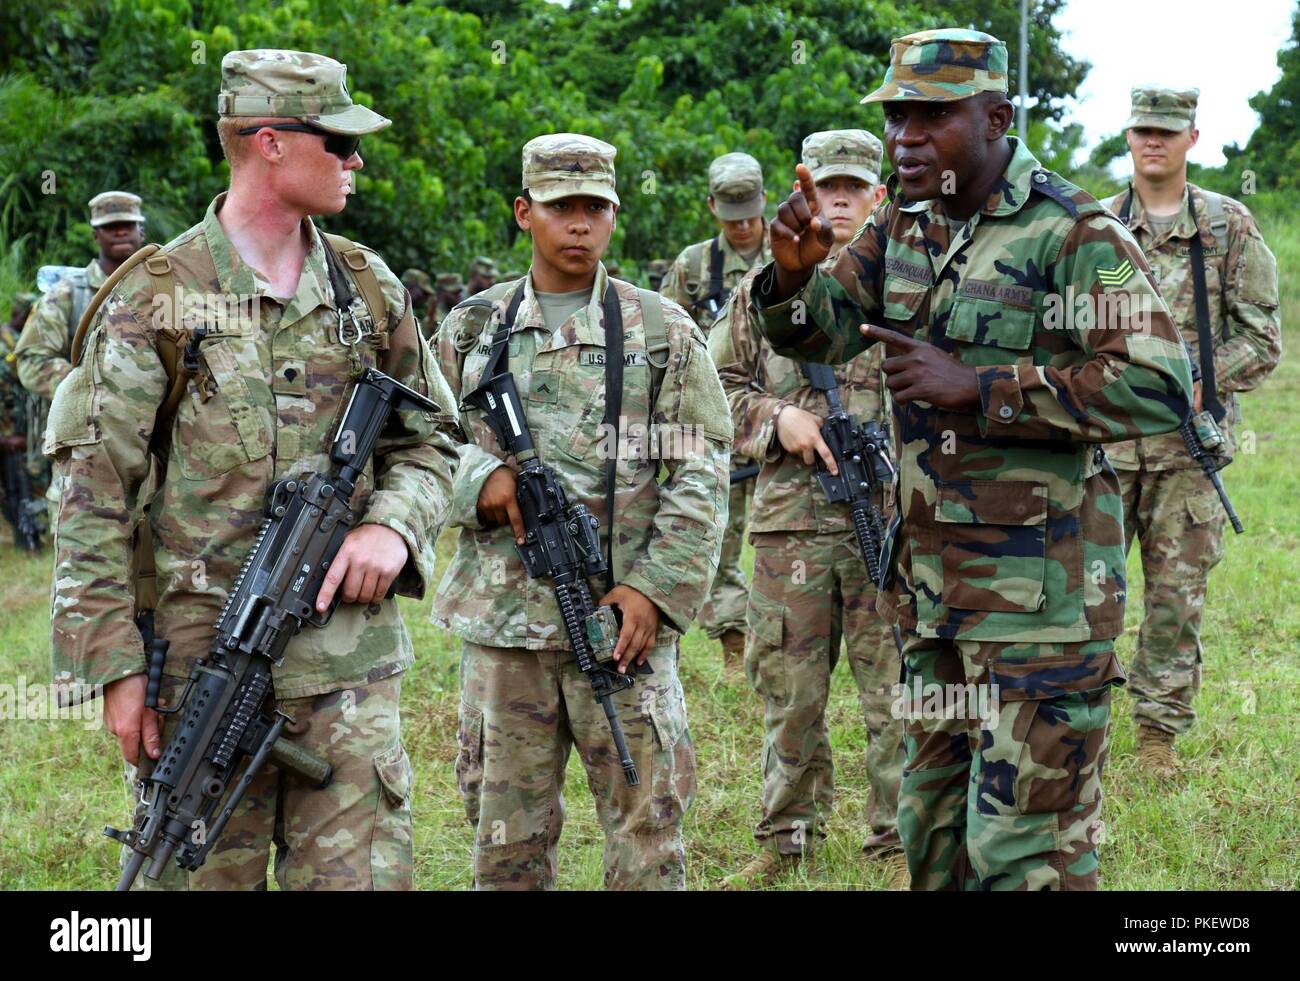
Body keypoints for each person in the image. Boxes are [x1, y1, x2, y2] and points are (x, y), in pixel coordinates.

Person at [749, 29, 1193, 890]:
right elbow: (831, 330)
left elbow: (1160, 387)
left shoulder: (1071, 234)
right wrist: (792, 281)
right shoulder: (903, 222)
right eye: (897, 117)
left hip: (1041, 608)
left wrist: (984, 386)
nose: (906, 137)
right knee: (934, 833)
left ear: (997, 117)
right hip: (930, 597)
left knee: (1026, 854)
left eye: (931, 116)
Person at [45, 48, 461, 890]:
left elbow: (433, 437)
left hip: (347, 674)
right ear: (269, 142)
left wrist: (392, 524)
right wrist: (116, 670)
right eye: (338, 144)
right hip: (201, 678)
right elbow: (91, 496)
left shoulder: (366, 289)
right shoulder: (156, 298)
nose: (356, 161)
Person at [432, 133, 731, 890]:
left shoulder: (661, 331)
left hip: (623, 627)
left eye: (595, 208)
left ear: (614, 218)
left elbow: (700, 465)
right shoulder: (472, 328)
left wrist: (656, 589)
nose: (579, 224)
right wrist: (482, 481)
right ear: (524, 212)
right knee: (505, 843)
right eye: (561, 207)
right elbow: (416, 444)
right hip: (506, 630)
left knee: (648, 830)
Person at [710, 129, 907, 889]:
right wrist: (775, 420)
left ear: (879, 198)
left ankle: (896, 841)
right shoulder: (759, 289)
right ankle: (786, 839)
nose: (841, 200)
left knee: (893, 687)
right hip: (790, 524)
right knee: (789, 691)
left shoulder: (906, 288)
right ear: (805, 196)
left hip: (887, 523)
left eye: (856, 188)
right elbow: (715, 391)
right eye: (828, 187)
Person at [1102, 86, 1281, 777]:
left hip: (1187, 449)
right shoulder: (1096, 225)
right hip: (1108, 446)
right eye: (1144, 129)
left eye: (1168, 132)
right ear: (1129, 137)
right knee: (1090, 595)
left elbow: (1263, 337)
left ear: (1192, 140)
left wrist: (1208, 376)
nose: (1155, 142)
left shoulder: (1227, 226)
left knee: (1176, 598)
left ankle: (1156, 737)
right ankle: (1079, 722)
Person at [661, 152, 771, 669]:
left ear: (765, 202)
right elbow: (661, 337)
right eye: (732, 218)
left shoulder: (793, 253)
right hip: (716, 416)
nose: (744, 227)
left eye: (750, 214)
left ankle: (784, 646)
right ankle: (732, 646)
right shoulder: (694, 266)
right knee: (717, 536)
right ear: (711, 209)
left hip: (781, 417)